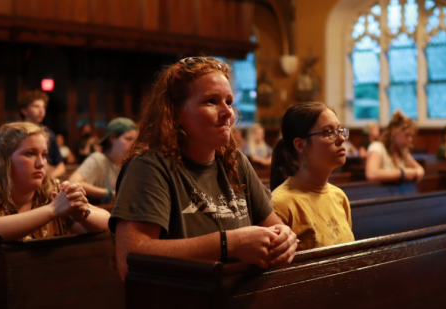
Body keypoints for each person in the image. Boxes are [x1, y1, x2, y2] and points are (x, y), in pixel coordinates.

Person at [109, 56, 297, 280]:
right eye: (211, 101)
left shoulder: (235, 161)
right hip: (182, 306)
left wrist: (284, 238)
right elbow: (131, 260)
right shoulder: (149, 167)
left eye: (228, 101)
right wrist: (228, 243)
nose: (228, 112)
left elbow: (274, 227)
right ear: (175, 113)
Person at [0, 122, 110, 242]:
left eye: (44, 155)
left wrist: (82, 214)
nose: (41, 163)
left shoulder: (51, 189)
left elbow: (107, 222)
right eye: (30, 154)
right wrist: (52, 210)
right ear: (3, 160)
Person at [270, 102, 354, 250]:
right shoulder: (280, 204)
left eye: (340, 130)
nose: (341, 139)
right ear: (301, 145)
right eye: (329, 132)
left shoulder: (339, 197)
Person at [69, 118, 137, 205]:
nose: (133, 144)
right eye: (128, 139)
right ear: (112, 138)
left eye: (135, 140)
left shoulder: (132, 162)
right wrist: (109, 194)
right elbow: (73, 182)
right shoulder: (98, 159)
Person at [365, 110, 425, 182]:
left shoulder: (402, 151)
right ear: (393, 130)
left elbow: (420, 169)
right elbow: (371, 174)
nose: (410, 139)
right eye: (407, 135)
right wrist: (402, 173)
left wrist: (416, 172)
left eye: (411, 136)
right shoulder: (377, 147)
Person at [19, 90, 65, 178]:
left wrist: (47, 179)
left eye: (43, 107)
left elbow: (61, 166)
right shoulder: (15, 133)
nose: (41, 111)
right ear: (24, 111)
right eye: (36, 106)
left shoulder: (49, 134)